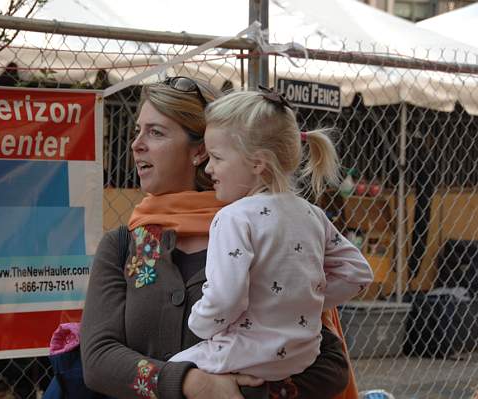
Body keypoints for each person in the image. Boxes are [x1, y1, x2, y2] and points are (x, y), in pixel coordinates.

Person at [80, 76, 360, 399]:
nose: (136, 144)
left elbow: (330, 366)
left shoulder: (267, 230)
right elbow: (98, 359)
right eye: (137, 131)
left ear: (201, 151)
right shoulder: (123, 245)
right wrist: (193, 384)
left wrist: (249, 393)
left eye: (155, 132)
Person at [168, 89, 373, 381]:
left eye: (216, 157)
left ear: (257, 163)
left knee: (167, 375)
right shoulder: (312, 215)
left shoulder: (233, 218)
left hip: (241, 354)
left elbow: (226, 299)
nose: (208, 166)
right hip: (302, 356)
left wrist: (198, 324)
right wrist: (302, 303)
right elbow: (357, 273)